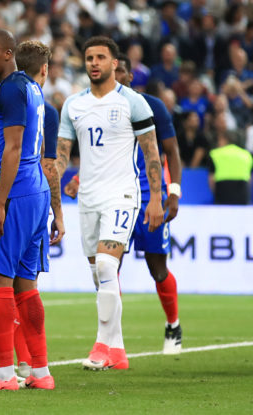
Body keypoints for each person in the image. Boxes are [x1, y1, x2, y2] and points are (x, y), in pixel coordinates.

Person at [55, 36, 164, 371]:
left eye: (101, 57)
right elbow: (63, 154)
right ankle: (117, 350)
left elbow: (151, 154)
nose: (94, 63)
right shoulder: (73, 105)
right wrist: (57, 178)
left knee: (105, 266)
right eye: (89, 57)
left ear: (115, 63)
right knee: (99, 274)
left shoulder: (133, 102)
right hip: (87, 198)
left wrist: (156, 197)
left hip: (122, 194)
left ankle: (101, 346)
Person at [0, 32, 63, 391]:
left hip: (16, 193)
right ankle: (40, 371)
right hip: (34, 192)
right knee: (26, 284)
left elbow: (13, 148)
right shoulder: (32, 90)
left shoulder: (9, 90)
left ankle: (4, 373)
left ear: (8, 54)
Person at [208, 131, 253, 205]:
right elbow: (249, 179)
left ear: (225, 140)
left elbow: (211, 179)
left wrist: (216, 194)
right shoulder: (247, 155)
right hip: (242, 194)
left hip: (222, 192)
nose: (218, 142)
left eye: (219, 140)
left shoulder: (214, 154)